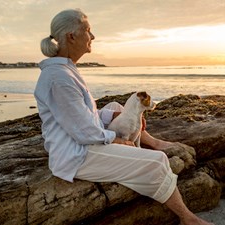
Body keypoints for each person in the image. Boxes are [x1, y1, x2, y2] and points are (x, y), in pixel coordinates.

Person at [35, 8, 212, 225]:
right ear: (71, 36)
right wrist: (118, 141)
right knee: (158, 162)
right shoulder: (59, 78)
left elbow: (82, 116)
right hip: (76, 155)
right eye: (88, 31)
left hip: (80, 138)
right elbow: (83, 132)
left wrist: (118, 114)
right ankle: (188, 219)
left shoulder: (66, 70)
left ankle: (154, 142)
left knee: (117, 107)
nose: (92, 36)